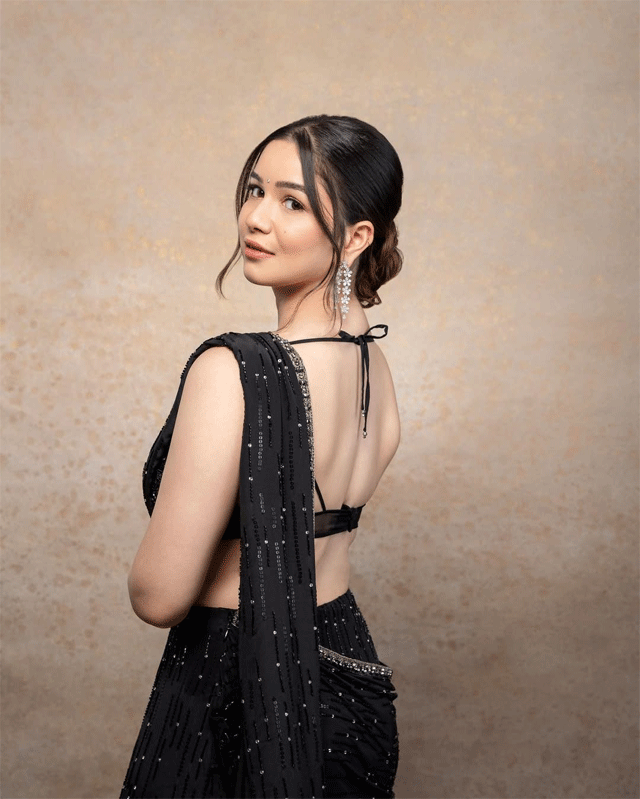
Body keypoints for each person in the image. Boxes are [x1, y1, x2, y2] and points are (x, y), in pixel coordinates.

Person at [119, 114, 404, 799]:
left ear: (356, 237)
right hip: (351, 677)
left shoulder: (237, 370)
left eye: (293, 202)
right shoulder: (374, 365)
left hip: (243, 684)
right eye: (254, 190)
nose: (256, 217)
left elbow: (159, 595)